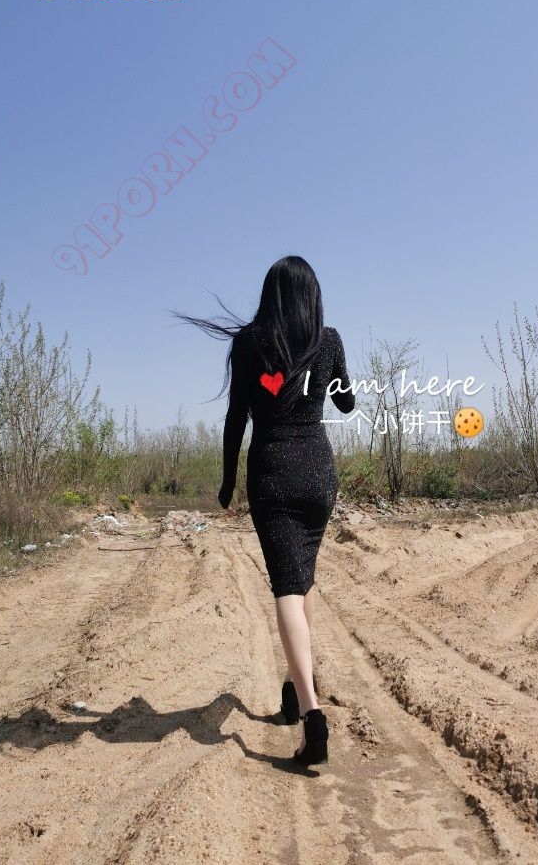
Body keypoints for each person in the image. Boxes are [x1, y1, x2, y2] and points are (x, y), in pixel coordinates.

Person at [171, 255, 355, 765]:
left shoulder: (249, 342)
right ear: (312, 296)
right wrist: (331, 377)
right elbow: (347, 404)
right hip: (318, 472)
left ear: (270, 295)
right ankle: (296, 689)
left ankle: (312, 717)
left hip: (272, 472)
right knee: (303, 582)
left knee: (287, 588)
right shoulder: (328, 339)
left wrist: (228, 480)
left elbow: (237, 417)